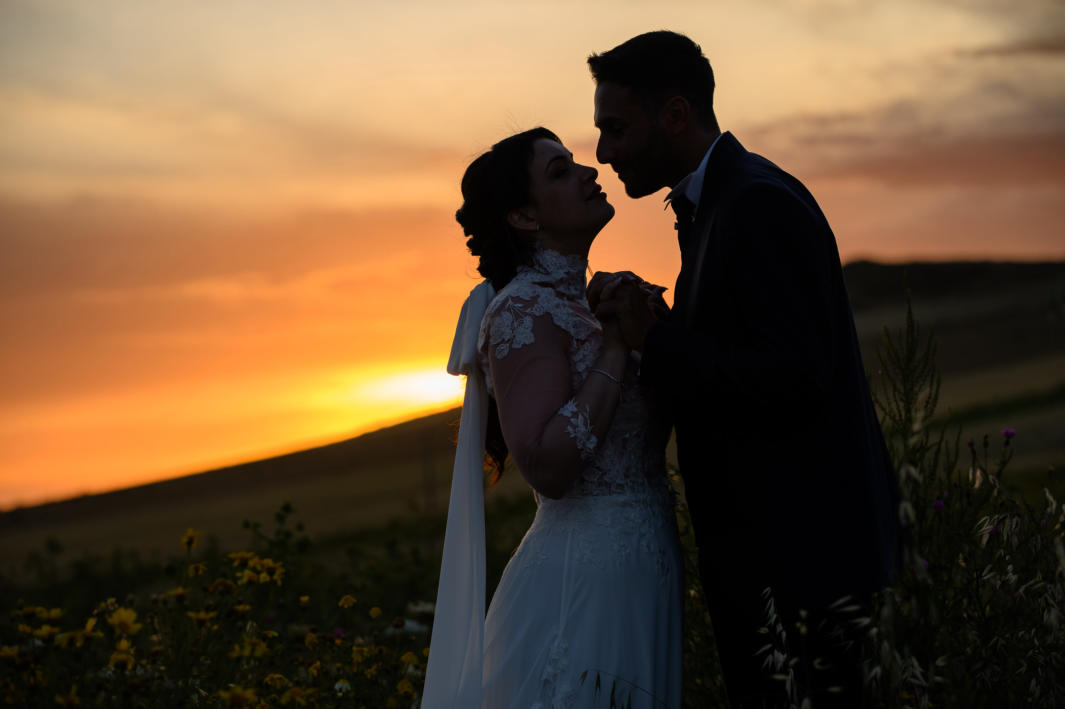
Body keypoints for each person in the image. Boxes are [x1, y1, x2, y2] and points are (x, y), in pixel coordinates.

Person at [588, 31, 901, 707]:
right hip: (783, 572)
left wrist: (656, 344)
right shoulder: (718, 203)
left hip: (805, 575)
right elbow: (744, 352)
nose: (603, 152)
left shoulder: (753, 203)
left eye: (615, 129)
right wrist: (659, 325)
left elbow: (795, 378)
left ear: (674, 115)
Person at [422, 127, 683, 709]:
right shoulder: (522, 309)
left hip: (643, 566)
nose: (590, 173)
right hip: (579, 582)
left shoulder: (591, 305)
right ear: (524, 216)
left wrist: (653, 332)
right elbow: (547, 465)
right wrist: (616, 349)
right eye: (562, 171)